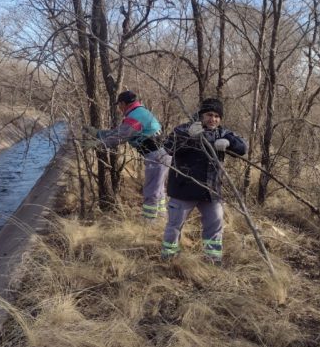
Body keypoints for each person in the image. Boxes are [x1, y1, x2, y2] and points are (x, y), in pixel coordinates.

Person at [160, 98, 247, 264]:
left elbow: (243, 148)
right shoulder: (184, 129)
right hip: (183, 189)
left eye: (216, 116)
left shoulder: (222, 133)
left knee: (215, 227)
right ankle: (169, 258)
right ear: (201, 115)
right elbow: (168, 147)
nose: (213, 119)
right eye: (209, 115)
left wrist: (229, 143)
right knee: (174, 226)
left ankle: (212, 260)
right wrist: (190, 137)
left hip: (211, 191)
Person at [86, 90, 171, 221]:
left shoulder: (136, 116)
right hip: (161, 154)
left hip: (156, 155)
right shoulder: (140, 112)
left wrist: (98, 143)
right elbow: (119, 132)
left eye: (119, 105)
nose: (119, 108)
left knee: (151, 190)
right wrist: (98, 134)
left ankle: (150, 222)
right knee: (158, 189)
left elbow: (120, 136)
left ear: (123, 103)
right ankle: (161, 219)